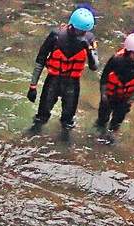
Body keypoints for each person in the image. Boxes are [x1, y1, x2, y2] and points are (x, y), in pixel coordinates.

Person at [27, 6, 98, 139]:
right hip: (53, 81)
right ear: (71, 25)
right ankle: (32, 137)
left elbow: (94, 66)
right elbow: (40, 60)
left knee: (67, 122)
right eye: (79, 30)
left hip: (72, 83)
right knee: (41, 117)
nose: (82, 33)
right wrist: (33, 86)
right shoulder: (56, 35)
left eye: (84, 31)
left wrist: (88, 49)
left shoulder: (89, 39)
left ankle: (64, 146)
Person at [94, 31, 134, 142]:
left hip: (125, 98)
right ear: (128, 51)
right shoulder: (116, 60)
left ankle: (111, 136)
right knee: (102, 119)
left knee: (117, 121)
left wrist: (131, 99)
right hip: (110, 95)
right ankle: (98, 133)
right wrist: (104, 95)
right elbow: (104, 78)